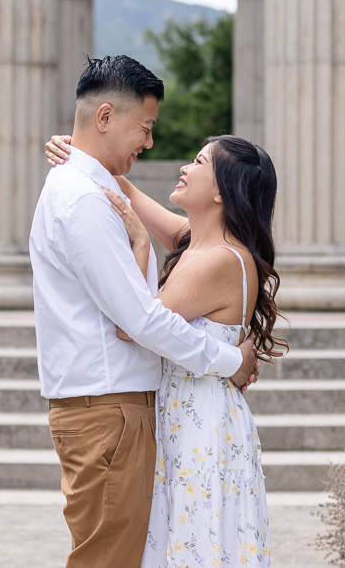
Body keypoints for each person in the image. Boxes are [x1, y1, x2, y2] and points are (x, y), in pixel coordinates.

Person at [29, 55, 260, 568]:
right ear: (106, 117)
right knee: (108, 558)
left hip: (116, 408)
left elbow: (188, 241)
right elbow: (139, 321)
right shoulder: (84, 200)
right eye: (146, 127)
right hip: (108, 410)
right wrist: (230, 362)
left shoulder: (91, 189)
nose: (151, 144)